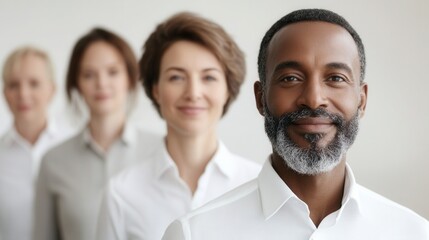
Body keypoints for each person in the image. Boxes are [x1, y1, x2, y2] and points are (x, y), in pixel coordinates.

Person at [162, 9, 429, 240]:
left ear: (362, 100)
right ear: (261, 98)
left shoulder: (412, 233)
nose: (313, 99)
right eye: (290, 78)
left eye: (335, 78)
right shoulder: (194, 234)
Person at [96, 12, 261, 240]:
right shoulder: (122, 192)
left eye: (209, 78)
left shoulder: (258, 184)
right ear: (155, 89)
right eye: (176, 77)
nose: (193, 93)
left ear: (227, 89)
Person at [33, 28, 161, 240]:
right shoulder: (53, 161)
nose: (101, 83)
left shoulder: (161, 151)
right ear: (76, 84)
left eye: (112, 72)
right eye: (89, 74)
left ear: (130, 78)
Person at [0, 46, 70, 240]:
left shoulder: (73, 149)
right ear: (5, 92)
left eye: (34, 83)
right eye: (14, 85)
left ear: (52, 89)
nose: (23, 94)